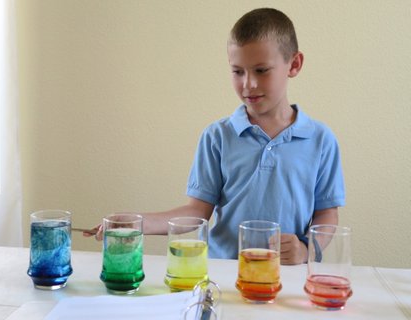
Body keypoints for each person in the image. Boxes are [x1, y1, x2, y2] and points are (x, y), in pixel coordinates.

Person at [84, 8, 345, 265]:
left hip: (287, 276)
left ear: (294, 64)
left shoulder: (321, 140)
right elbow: (197, 212)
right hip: (224, 274)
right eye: (237, 71)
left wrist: (307, 248)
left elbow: (327, 214)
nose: (248, 84)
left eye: (261, 70)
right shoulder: (216, 136)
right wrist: (138, 222)